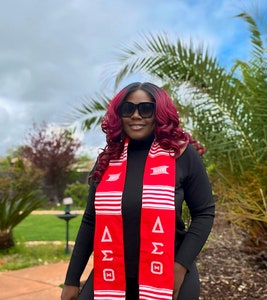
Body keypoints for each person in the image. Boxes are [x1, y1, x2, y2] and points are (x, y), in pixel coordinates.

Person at [61, 82, 215, 300]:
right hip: (111, 271)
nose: (136, 115)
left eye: (146, 109)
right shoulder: (107, 160)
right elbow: (90, 220)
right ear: (119, 114)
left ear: (159, 113)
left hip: (167, 271)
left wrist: (180, 267)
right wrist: (71, 280)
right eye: (128, 108)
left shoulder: (181, 154)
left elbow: (204, 213)